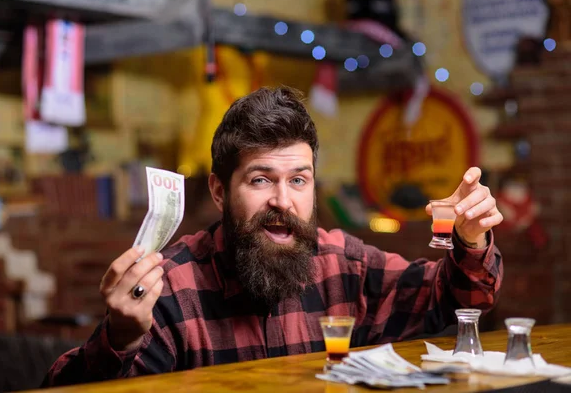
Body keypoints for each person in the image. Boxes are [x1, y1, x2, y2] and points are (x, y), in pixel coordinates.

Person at [44, 87, 503, 386]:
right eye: (261, 180)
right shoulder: (172, 288)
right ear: (220, 191)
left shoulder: (344, 265)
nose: (284, 201)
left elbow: (457, 296)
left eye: (299, 180)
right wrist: (119, 338)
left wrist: (472, 237)